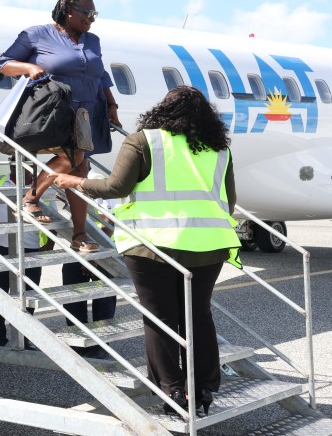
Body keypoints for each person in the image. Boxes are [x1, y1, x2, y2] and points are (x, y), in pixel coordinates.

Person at [52, 86, 242, 415]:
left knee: (161, 320)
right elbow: (230, 200)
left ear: (163, 110)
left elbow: (116, 187)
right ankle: (204, 391)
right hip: (210, 246)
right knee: (198, 317)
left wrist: (76, 183)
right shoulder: (219, 149)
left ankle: (174, 393)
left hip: (152, 245)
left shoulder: (144, 140)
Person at [0, 0, 120, 252]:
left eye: (94, 15)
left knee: (81, 166)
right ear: (68, 11)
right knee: (74, 157)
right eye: (87, 14)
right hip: (54, 110)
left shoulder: (92, 40)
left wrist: (112, 106)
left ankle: (79, 234)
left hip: (87, 112)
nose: (91, 20)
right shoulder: (37, 34)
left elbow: (101, 74)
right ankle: (30, 198)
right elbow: (2, 64)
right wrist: (28, 67)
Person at [0, 167, 53, 348]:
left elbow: (53, 217)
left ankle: (23, 337)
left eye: (25, 163)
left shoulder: (40, 187)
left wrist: (48, 246)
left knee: (26, 297)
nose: (20, 166)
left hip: (29, 247)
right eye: (15, 162)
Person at [60, 172, 117, 358]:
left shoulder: (98, 178)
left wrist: (94, 253)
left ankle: (101, 344)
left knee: (103, 301)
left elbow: (108, 219)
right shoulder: (66, 180)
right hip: (77, 249)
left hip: (101, 251)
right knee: (73, 298)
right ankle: (79, 342)